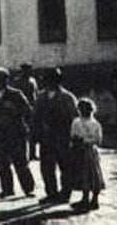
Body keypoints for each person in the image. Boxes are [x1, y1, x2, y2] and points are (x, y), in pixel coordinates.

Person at [0, 67, 36, 198]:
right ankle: (7, 189)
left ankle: (28, 188)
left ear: (4, 81)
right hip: (0, 134)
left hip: (16, 133)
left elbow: (27, 111)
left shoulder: (16, 94)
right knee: (2, 164)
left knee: (20, 162)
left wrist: (14, 110)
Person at [33, 67, 78, 202]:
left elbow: (74, 119)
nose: (49, 83)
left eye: (52, 80)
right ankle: (51, 193)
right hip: (46, 139)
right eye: (47, 80)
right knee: (46, 168)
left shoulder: (67, 97)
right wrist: (35, 135)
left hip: (62, 138)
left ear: (58, 81)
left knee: (65, 167)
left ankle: (65, 193)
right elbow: (35, 117)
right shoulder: (40, 97)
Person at [67, 98, 105, 211]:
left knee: (86, 174)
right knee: (93, 174)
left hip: (82, 151)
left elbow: (73, 136)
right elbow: (98, 140)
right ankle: (91, 199)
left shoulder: (77, 122)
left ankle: (88, 199)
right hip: (91, 151)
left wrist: (81, 141)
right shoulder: (96, 124)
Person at [16, 63, 40, 160]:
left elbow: (36, 94)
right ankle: (23, 154)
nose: (29, 72)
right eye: (27, 70)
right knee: (22, 132)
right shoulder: (18, 82)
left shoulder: (33, 81)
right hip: (22, 109)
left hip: (32, 108)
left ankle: (32, 153)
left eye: (30, 70)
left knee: (33, 132)